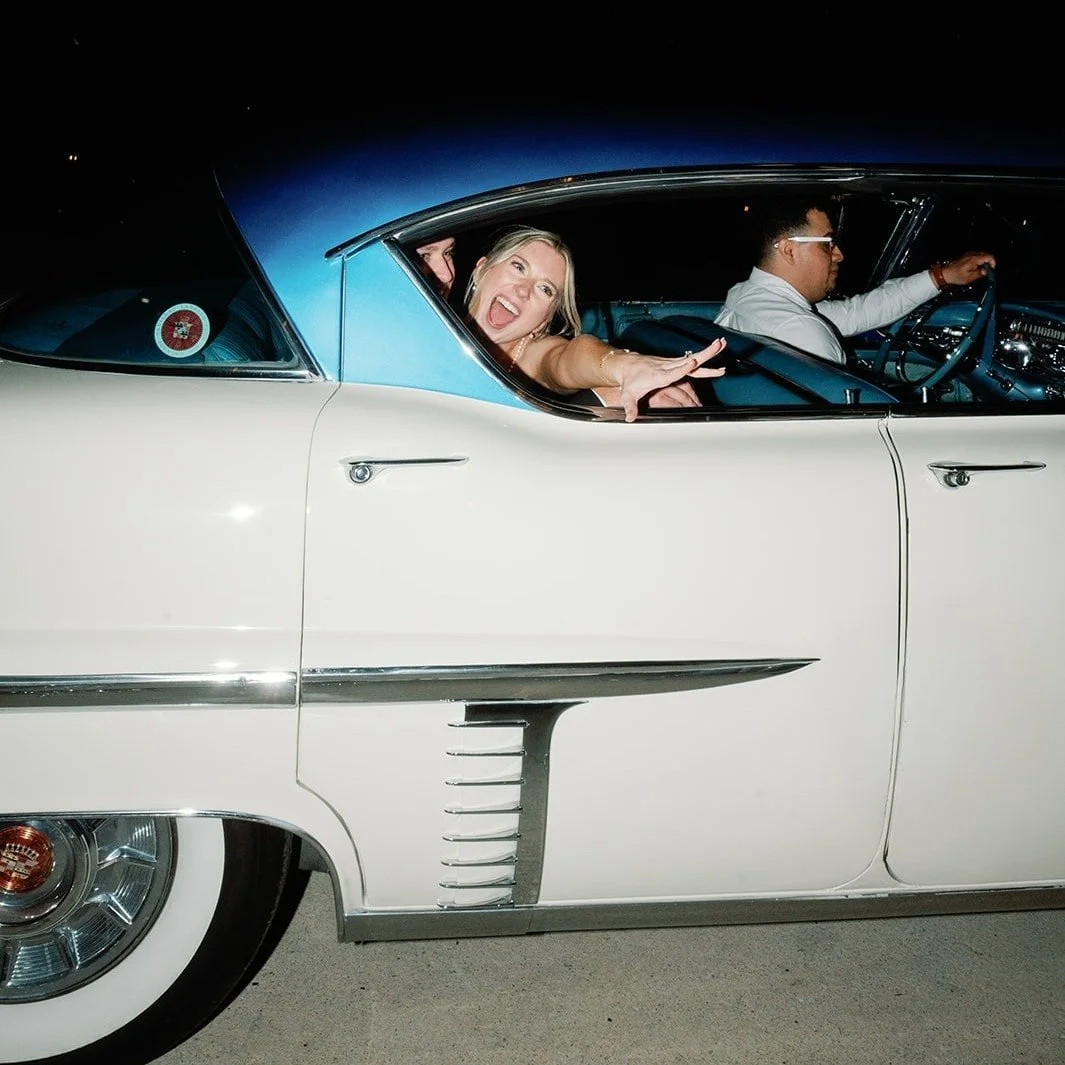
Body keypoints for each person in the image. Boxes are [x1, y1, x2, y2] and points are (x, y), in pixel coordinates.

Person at [465, 226, 726, 421]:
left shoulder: (533, 354)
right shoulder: (426, 316)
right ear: (481, 269)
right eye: (519, 267)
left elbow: (569, 356)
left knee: (614, 397)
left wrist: (626, 367)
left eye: (545, 289)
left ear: (542, 322)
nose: (524, 290)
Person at [714, 197, 996, 365]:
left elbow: (857, 311)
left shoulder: (747, 297)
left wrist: (942, 276)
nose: (839, 254)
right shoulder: (801, 333)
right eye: (827, 243)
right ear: (789, 250)